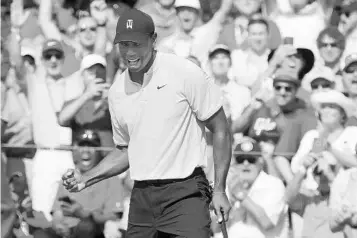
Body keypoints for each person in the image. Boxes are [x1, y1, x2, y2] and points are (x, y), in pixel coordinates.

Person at [62, 8, 232, 238]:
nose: (130, 52)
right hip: (141, 195)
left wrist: (220, 188)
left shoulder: (184, 72)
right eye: (124, 45)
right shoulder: (116, 92)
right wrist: (86, 178)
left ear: (153, 40)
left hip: (186, 192)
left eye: (137, 44)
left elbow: (221, 127)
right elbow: (125, 151)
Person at [33, 129, 127, 238]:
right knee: (39, 234)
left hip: (94, 230)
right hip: (68, 229)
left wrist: (84, 214)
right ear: (74, 151)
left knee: (85, 227)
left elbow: (114, 216)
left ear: (100, 151)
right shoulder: (69, 176)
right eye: (81, 146)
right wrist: (59, 226)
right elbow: (57, 213)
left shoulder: (110, 177)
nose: (86, 151)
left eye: (91, 146)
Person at [214, 138, 288, 238]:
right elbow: (214, 227)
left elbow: (268, 223)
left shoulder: (273, 184)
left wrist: (240, 195)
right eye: (240, 160)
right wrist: (229, 201)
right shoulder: (227, 185)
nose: (246, 163)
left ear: (260, 162)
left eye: (251, 159)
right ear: (234, 163)